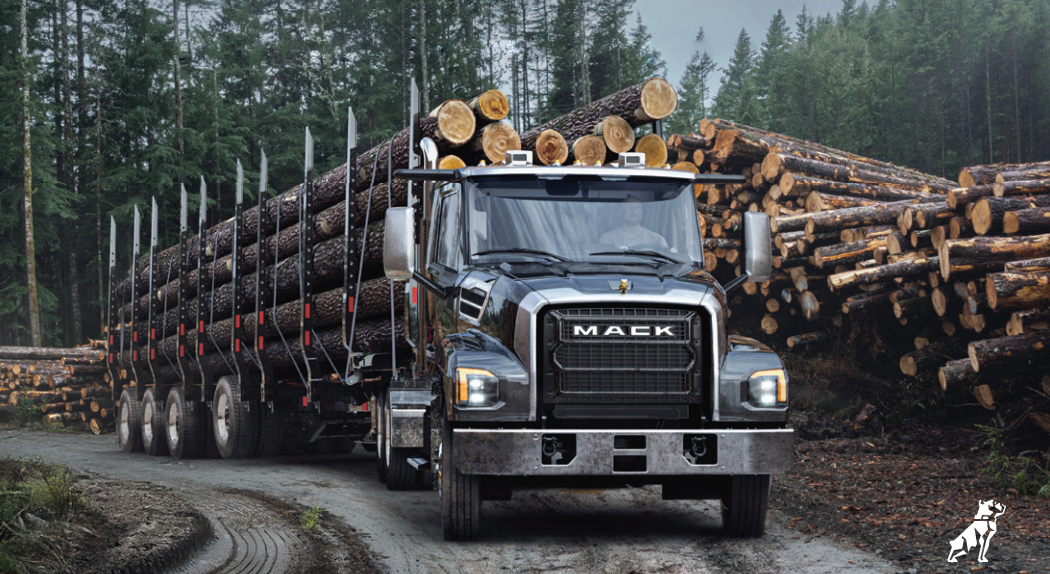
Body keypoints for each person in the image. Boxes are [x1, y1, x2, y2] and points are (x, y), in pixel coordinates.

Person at [599, 196, 674, 251]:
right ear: (621, 212)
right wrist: (617, 254)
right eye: (630, 208)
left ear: (642, 212)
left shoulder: (657, 240)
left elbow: (666, 267)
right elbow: (602, 266)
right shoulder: (607, 239)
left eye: (637, 208)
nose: (634, 212)